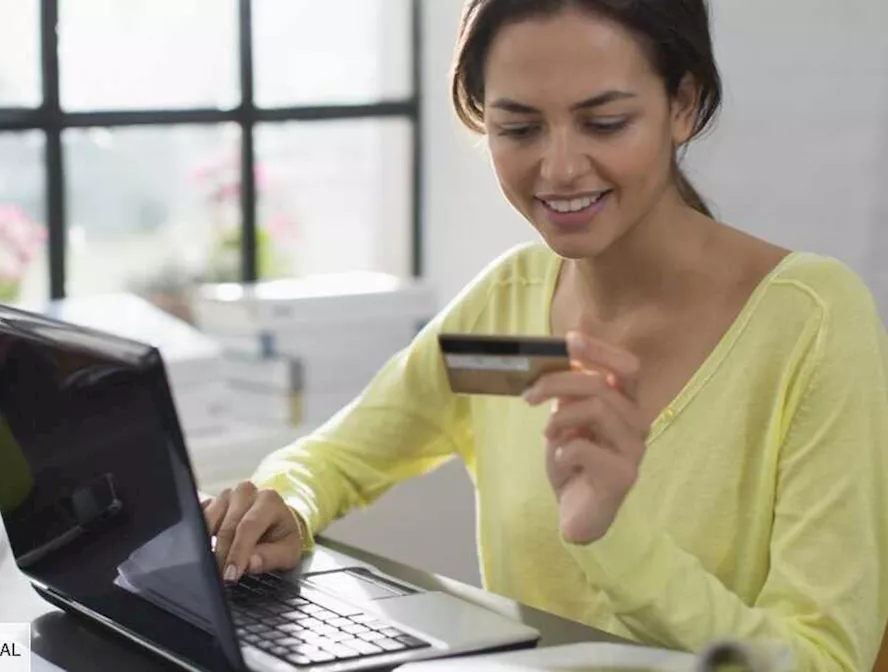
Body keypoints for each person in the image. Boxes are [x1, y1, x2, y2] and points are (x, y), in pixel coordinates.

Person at [201, 0, 888, 669]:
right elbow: (339, 459)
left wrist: (615, 541)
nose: (559, 168)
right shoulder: (508, 311)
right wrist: (283, 505)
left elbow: (823, 660)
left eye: (606, 123)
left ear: (682, 105)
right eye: (520, 129)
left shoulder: (812, 324)